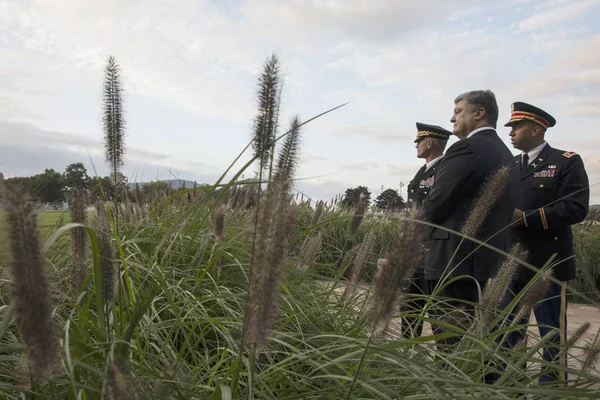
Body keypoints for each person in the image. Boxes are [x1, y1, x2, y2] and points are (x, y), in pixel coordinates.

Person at [419, 90, 520, 346]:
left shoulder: (466, 149)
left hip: (454, 261)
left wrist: (411, 240)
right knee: (480, 342)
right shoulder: (506, 154)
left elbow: (436, 202)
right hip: (489, 260)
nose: (452, 118)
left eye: (458, 111)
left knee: (450, 342)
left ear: (479, 113)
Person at [500, 101, 590, 384]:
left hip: (548, 265)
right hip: (511, 264)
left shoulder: (566, 161)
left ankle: (551, 389)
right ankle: (512, 386)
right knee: (509, 333)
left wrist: (527, 218)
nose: (511, 132)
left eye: (516, 126)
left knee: (551, 336)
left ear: (536, 129)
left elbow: (576, 208)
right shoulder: (509, 166)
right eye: (510, 127)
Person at [402, 122, 452, 338]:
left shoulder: (445, 170)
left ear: (430, 142)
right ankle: (406, 351)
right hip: (415, 252)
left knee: (436, 311)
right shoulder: (421, 172)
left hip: (435, 251)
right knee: (409, 307)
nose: (416, 146)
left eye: (419, 141)